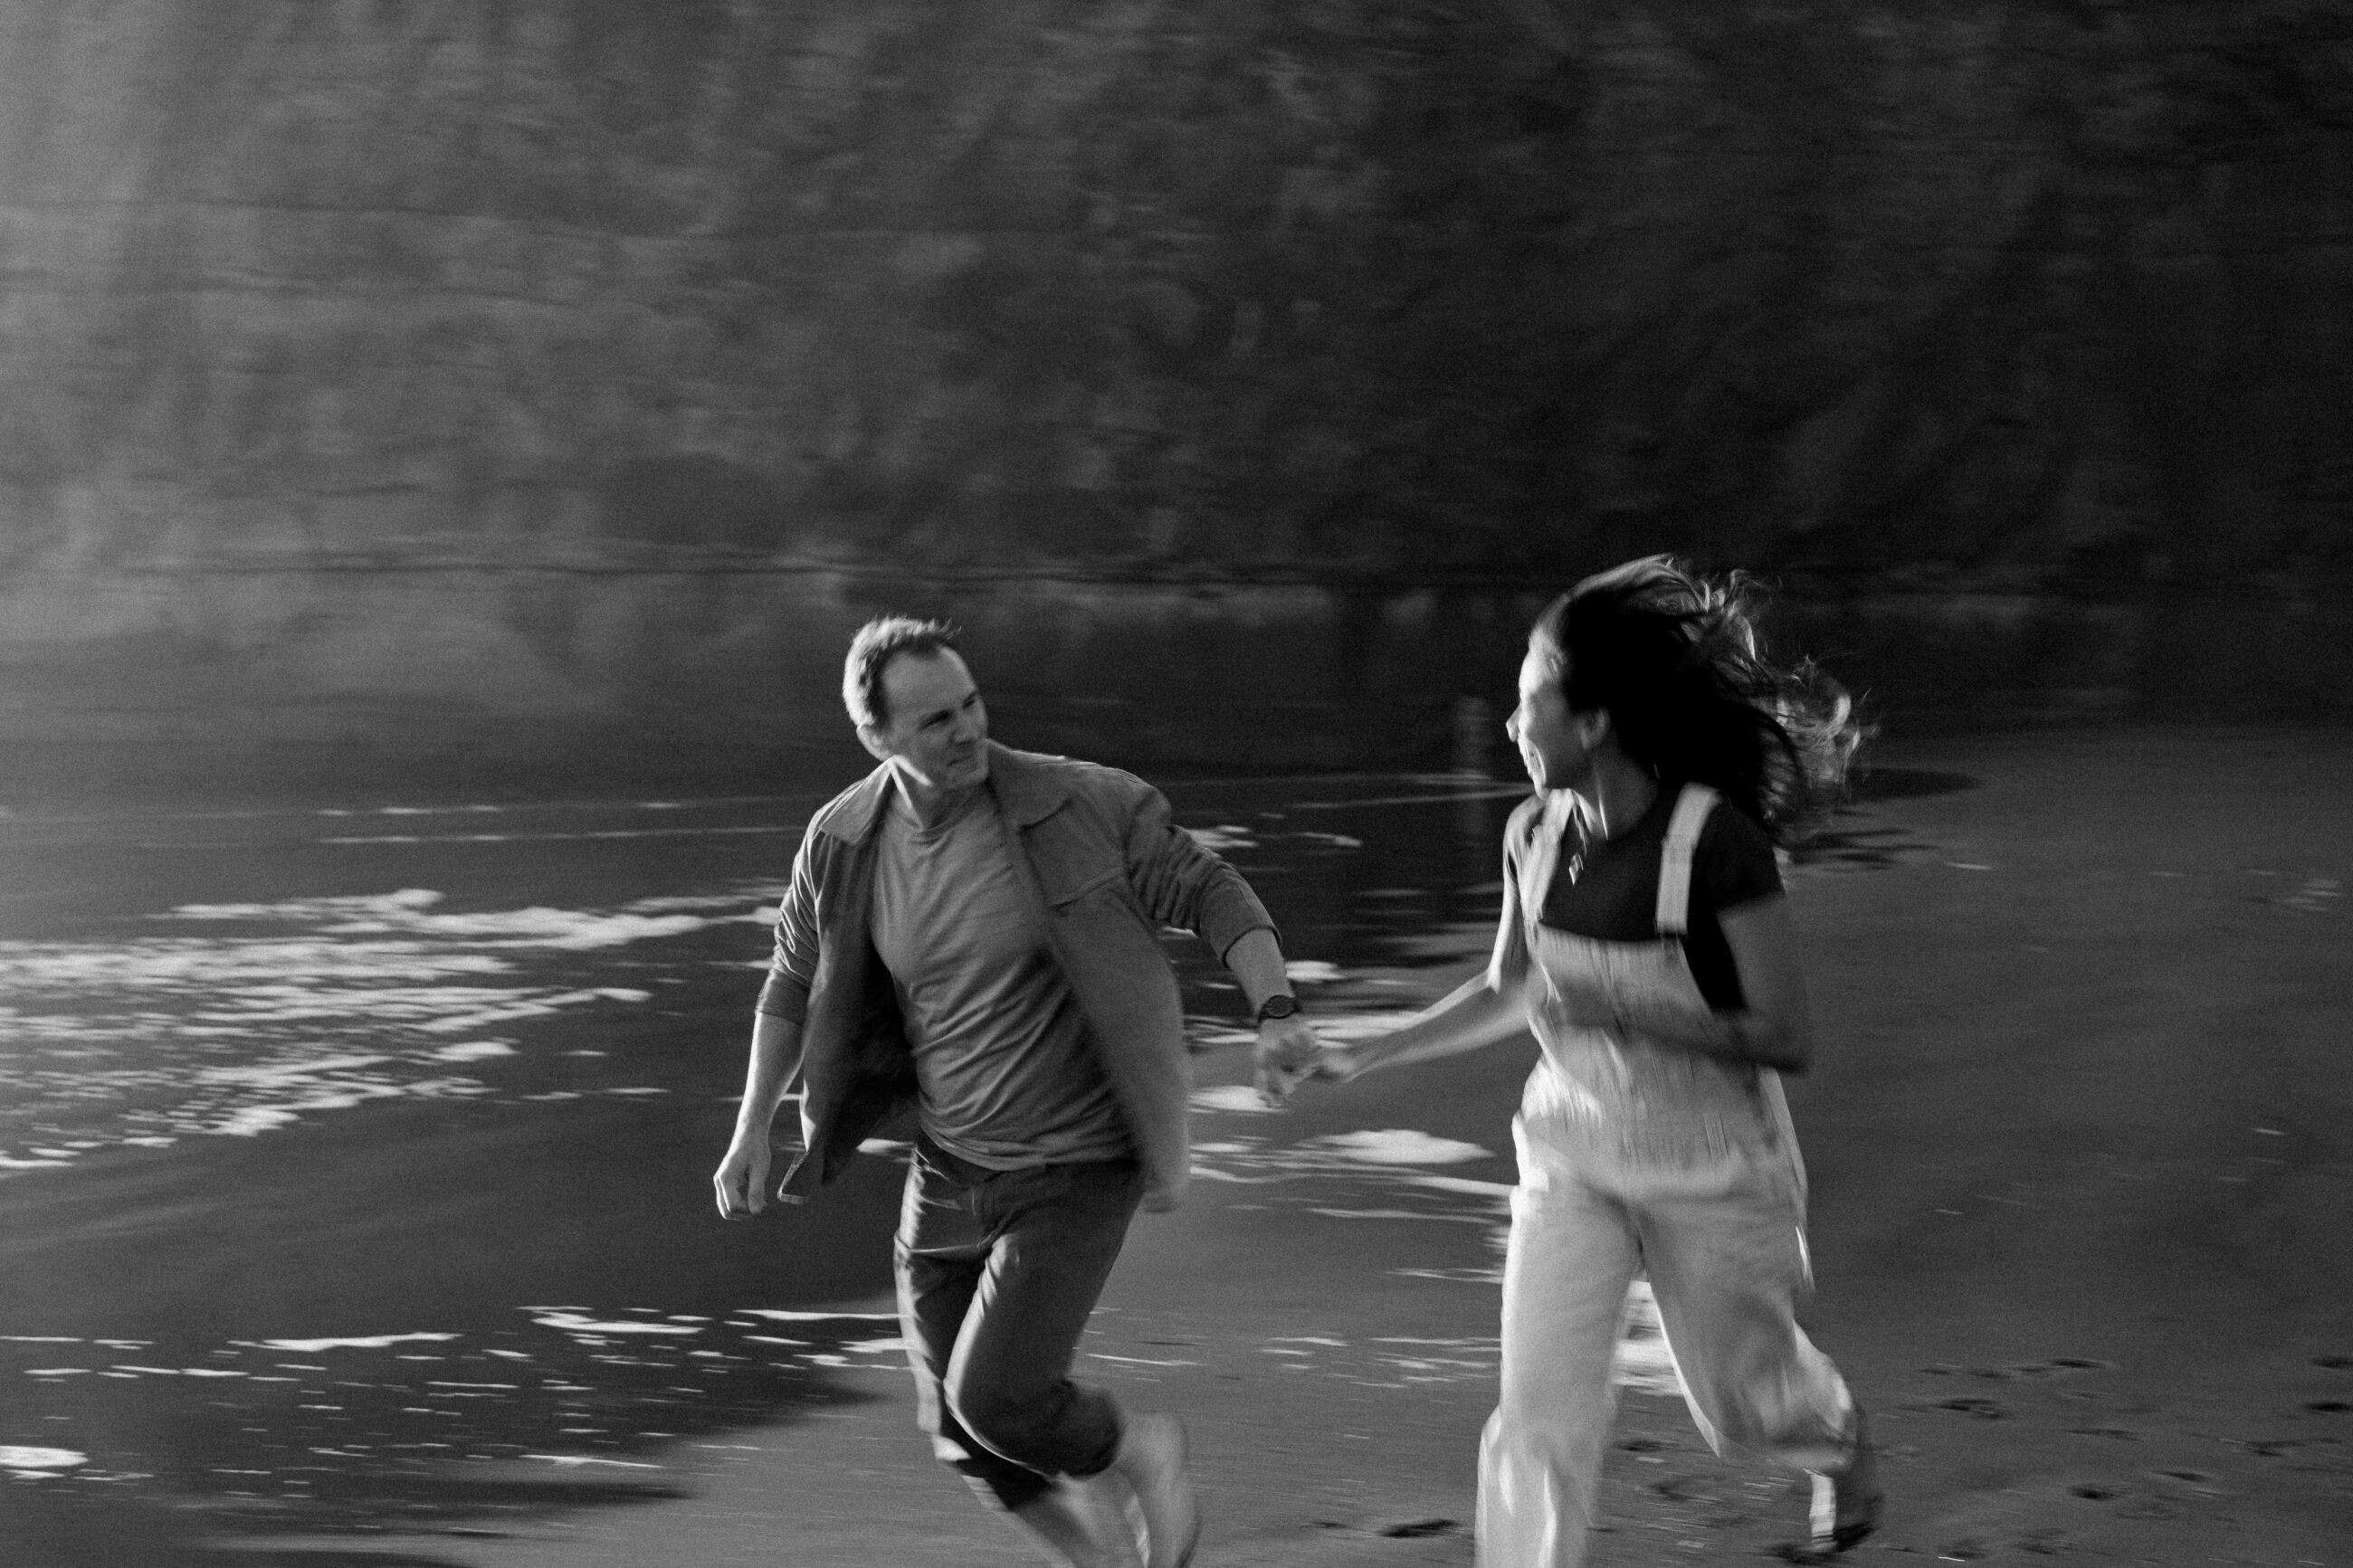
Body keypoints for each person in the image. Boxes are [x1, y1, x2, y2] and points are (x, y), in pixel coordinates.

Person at [712, 615, 1320, 1568]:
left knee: (999, 1399)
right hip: (949, 1166)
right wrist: (753, 1123)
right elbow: (791, 981)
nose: (966, 732)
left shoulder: (1079, 803)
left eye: (971, 705)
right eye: (933, 722)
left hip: (1077, 1160)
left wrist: (1275, 1007)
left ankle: (1139, 1447)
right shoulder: (841, 840)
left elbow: (1210, 889)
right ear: (876, 737)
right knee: (965, 1436)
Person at [1308, 557, 1883, 1565]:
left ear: (1593, 722)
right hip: (1568, 1151)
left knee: (1742, 1411)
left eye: (1528, 699)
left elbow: (1785, 1035)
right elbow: (1506, 989)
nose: (1507, 724)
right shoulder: (1530, 833)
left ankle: (1835, 1441)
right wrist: (1360, 1050)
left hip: (1712, 1165)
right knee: (1536, 1411)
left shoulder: (1713, 844)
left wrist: (1624, 1005)